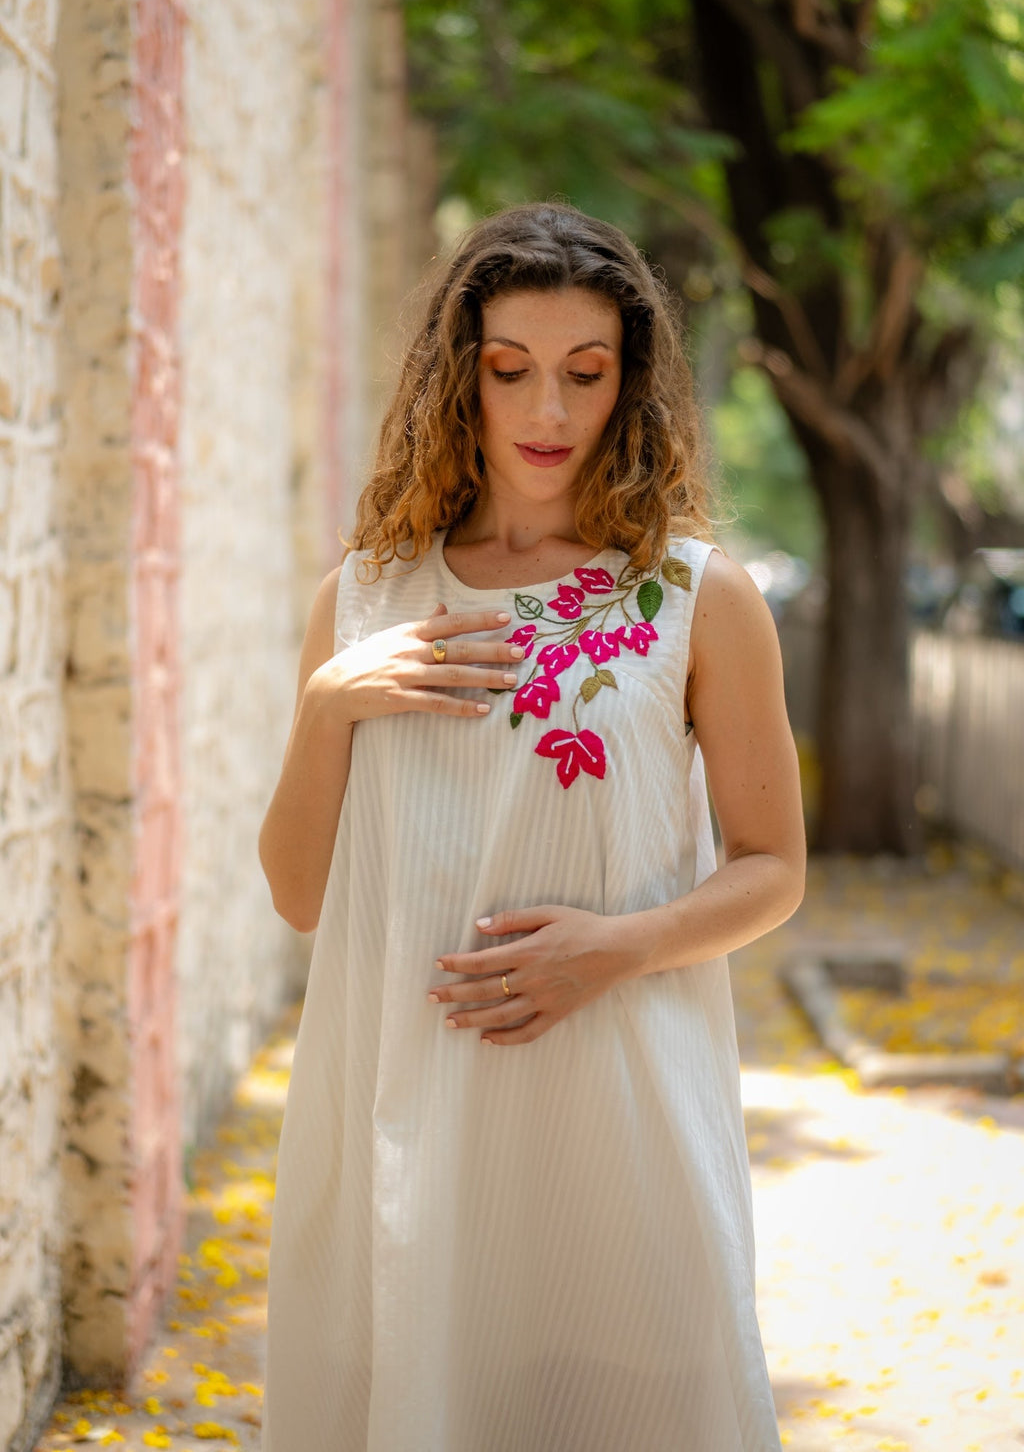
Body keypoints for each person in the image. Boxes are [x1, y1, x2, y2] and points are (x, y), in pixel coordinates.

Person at [257, 201, 805, 1452]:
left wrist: (616, 946)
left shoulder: (690, 596)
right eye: (511, 372)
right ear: (462, 375)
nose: (547, 414)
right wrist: (328, 707)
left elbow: (774, 869)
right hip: (405, 1125)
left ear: (633, 384)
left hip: (617, 1119)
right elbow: (298, 894)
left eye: (584, 373)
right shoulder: (363, 598)